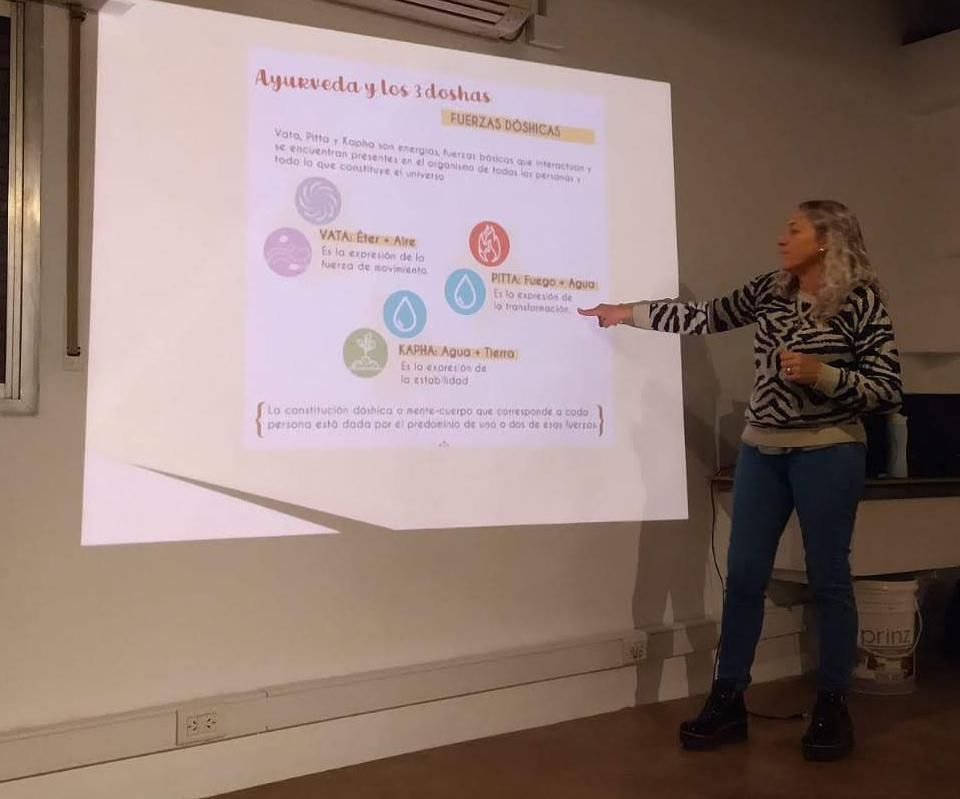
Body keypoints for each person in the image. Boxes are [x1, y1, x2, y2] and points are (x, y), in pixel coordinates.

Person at [578, 200, 902, 761]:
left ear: (826, 240)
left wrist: (823, 375)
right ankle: (728, 699)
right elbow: (704, 315)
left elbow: (887, 388)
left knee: (828, 579)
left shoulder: (860, 302)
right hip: (761, 451)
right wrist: (624, 313)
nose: (781, 238)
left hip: (829, 452)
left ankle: (832, 705)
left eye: (794, 230)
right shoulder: (771, 289)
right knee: (745, 577)